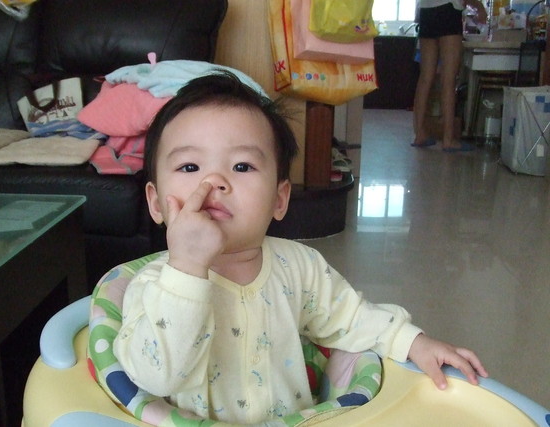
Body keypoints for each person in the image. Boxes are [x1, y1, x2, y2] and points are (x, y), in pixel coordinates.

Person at [114, 71, 488, 424]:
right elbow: (157, 377)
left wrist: (414, 342)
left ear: (279, 199)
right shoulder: (151, 286)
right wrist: (186, 267)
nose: (214, 181)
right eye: (189, 167)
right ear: (157, 203)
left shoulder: (300, 267)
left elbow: (351, 317)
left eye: (242, 167)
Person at [412, 0, 487, 152]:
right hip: (448, 11)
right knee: (448, 80)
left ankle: (420, 134)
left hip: (426, 12)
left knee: (425, 78)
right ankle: (448, 140)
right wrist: (480, 7)